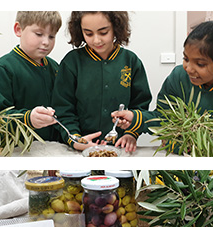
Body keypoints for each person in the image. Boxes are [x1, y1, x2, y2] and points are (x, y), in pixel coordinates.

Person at [111, 20, 213, 149]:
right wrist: (136, 118)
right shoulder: (179, 77)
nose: (188, 68)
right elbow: (164, 119)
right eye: (186, 59)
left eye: (200, 64)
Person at [51, 11, 152, 152]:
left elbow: (140, 105)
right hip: (78, 149)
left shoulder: (131, 61)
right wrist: (75, 139)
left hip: (119, 148)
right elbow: (63, 109)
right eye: (89, 34)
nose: (96, 40)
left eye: (103, 32)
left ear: (116, 27)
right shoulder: (71, 62)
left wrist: (131, 133)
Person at [0, 11, 62, 144]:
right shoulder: (2, 70)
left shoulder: (55, 68)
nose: (46, 42)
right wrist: (28, 119)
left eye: (52, 36)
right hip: (12, 152)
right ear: (18, 30)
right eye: (39, 34)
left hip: (50, 150)